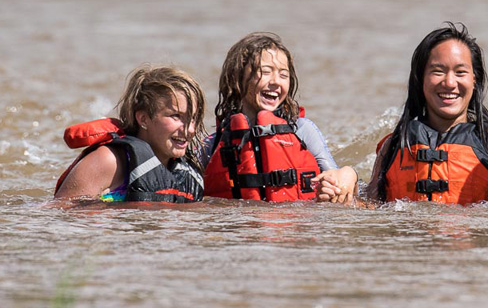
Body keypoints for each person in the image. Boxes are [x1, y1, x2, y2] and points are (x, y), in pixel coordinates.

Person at [366, 23, 488, 205]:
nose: (450, 83)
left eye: (460, 72)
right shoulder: (393, 147)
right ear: (420, 79)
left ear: (475, 80)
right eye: (438, 71)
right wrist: (347, 177)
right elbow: (369, 207)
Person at [203, 32, 358, 203]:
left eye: (284, 75)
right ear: (237, 78)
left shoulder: (302, 130)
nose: (276, 82)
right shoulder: (214, 144)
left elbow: (337, 180)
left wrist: (349, 175)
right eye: (265, 72)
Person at [55, 66, 207, 203]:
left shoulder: (187, 171)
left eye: (192, 118)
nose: (190, 129)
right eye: (176, 116)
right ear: (143, 119)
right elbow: (60, 214)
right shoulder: (109, 161)